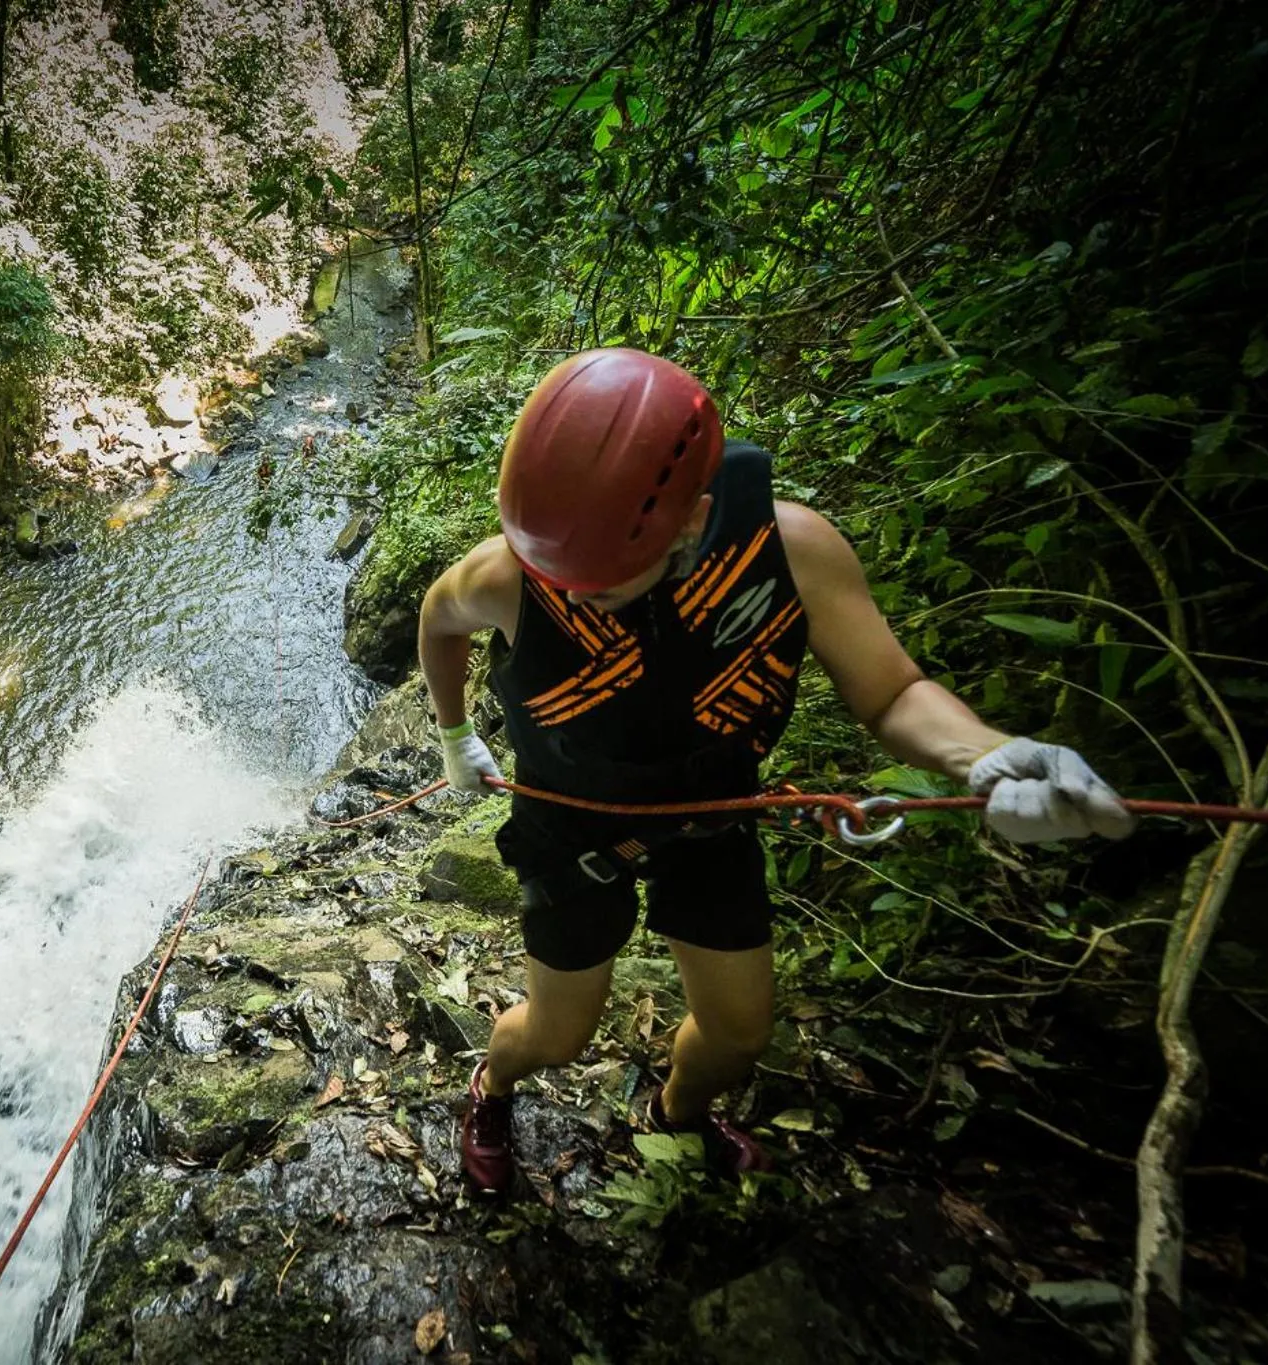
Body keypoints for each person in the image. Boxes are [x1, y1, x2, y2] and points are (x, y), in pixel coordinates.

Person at [417, 348, 1134, 1192]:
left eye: (597, 586)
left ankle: (674, 1114)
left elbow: (892, 690)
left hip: (710, 809)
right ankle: (492, 1087)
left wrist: (981, 756)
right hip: (570, 820)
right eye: (552, 576)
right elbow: (439, 617)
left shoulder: (792, 553)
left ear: (692, 520)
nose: (566, 596)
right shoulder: (512, 575)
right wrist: (455, 732)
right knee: (557, 1035)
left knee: (738, 1034)